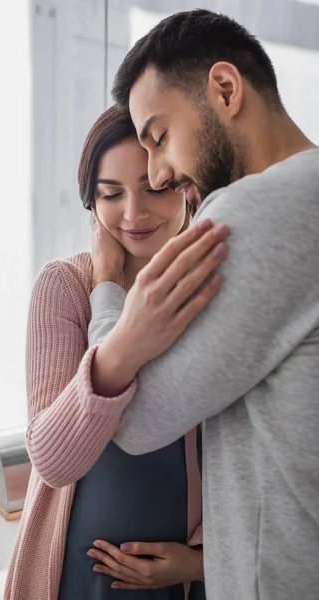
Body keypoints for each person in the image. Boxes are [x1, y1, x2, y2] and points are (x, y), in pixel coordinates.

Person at [83, 9, 319, 600]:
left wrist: (111, 292)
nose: (159, 176)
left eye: (159, 138)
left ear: (225, 88)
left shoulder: (249, 212)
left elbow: (133, 423)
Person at [4, 106, 230, 600]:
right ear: (91, 203)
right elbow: (53, 459)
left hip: (176, 583)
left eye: (154, 188)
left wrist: (198, 563)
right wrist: (105, 285)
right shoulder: (64, 287)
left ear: (186, 187)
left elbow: (246, 463)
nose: (133, 213)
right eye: (111, 194)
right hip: (69, 579)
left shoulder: (213, 292)